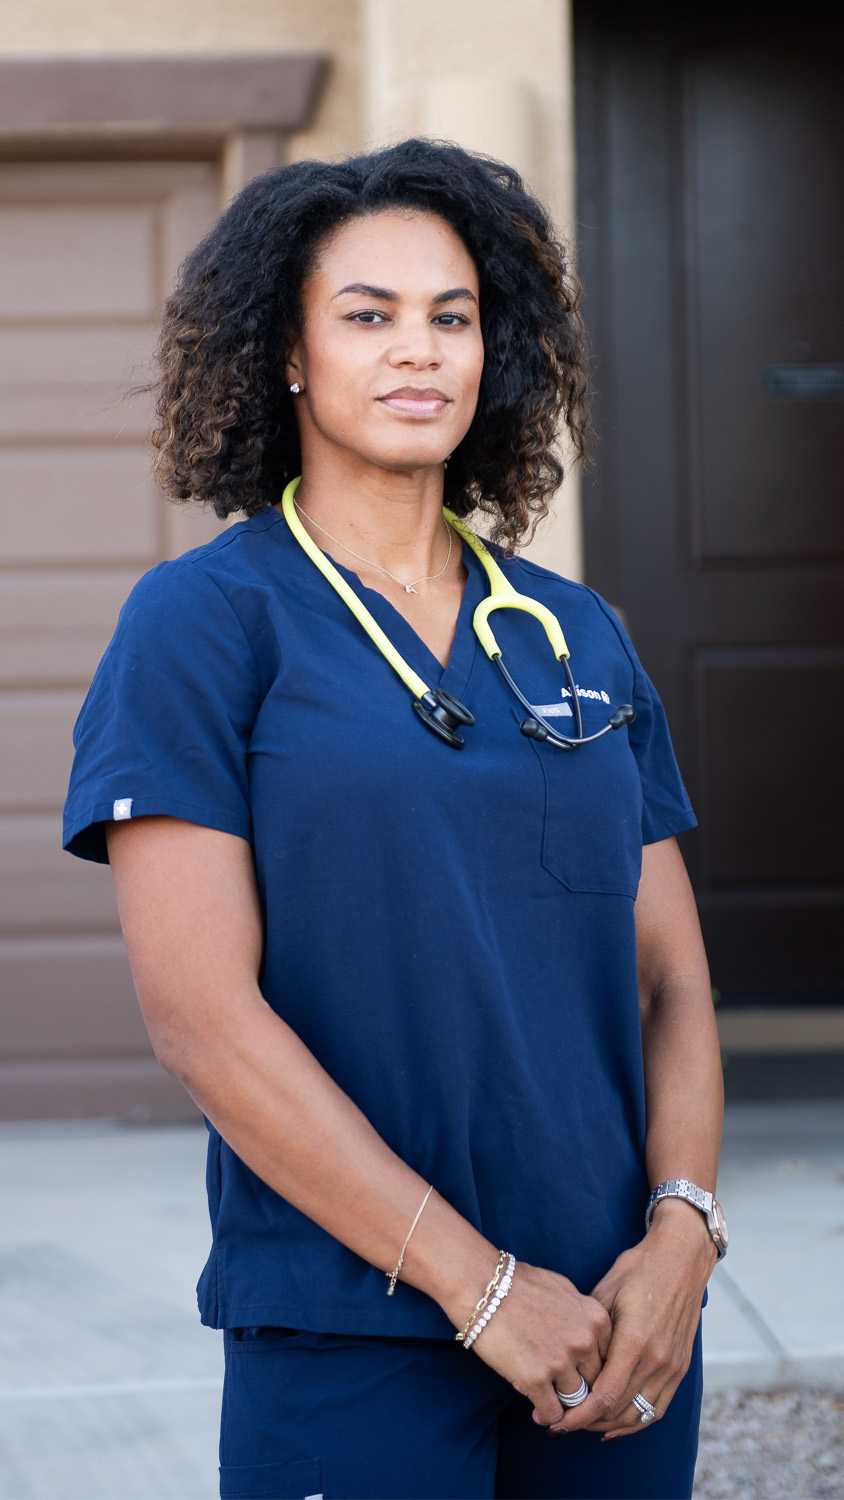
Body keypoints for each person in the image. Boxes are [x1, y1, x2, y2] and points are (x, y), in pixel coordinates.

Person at [63, 139, 725, 1500]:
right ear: (290, 355)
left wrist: (680, 1238)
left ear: (498, 352)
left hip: (613, 1323)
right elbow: (202, 1016)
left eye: (453, 317)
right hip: (350, 1322)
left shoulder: (575, 633)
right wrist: (481, 1290)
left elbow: (672, 981)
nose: (417, 352)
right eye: (368, 316)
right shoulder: (201, 626)